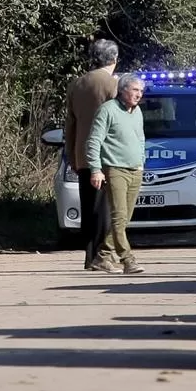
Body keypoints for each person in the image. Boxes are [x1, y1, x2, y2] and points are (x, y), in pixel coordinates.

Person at [64, 39, 119, 270]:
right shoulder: (113, 84)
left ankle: (90, 257)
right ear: (114, 59)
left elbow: (70, 125)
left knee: (89, 208)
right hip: (107, 155)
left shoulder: (76, 84)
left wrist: (72, 155)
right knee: (106, 207)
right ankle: (102, 257)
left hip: (82, 154)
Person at [85, 73, 147, 275]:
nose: (139, 94)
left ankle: (102, 258)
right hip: (115, 170)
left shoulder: (137, 112)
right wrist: (95, 169)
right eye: (135, 90)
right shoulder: (108, 110)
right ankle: (128, 259)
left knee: (124, 219)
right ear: (123, 90)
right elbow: (94, 141)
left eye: (141, 91)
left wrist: (141, 162)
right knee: (119, 217)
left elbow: (140, 139)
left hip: (135, 170)